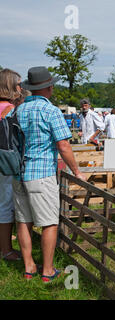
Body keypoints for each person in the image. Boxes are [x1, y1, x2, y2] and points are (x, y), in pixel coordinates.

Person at [14, 66, 86, 281]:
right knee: (49, 223)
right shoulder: (51, 111)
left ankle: (29, 268)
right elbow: (63, 145)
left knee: (24, 221)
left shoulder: (19, 110)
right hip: (41, 173)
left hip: (19, 173)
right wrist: (77, 171)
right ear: (49, 87)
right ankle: (47, 270)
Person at [0, 68, 23, 261]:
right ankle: (6, 250)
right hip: (5, 162)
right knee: (6, 205)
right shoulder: (10, 110)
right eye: (18, 84)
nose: (21, 87)